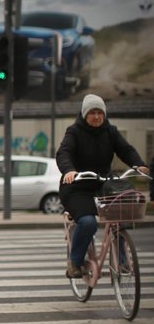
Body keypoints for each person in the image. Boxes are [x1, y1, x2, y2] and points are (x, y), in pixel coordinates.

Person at [56, 94, 149, 279]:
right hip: (77, 187)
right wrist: (69, 171)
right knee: (88, 222)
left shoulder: (110, 131)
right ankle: (75, 262)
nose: (97, 117)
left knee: (119, 219)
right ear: (84, 114)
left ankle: (122, 261)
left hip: (103, 185)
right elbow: (63, 153)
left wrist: (138, 164)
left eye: (100, 112)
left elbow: (126, 150)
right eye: (92, 113)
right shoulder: (74, 131)